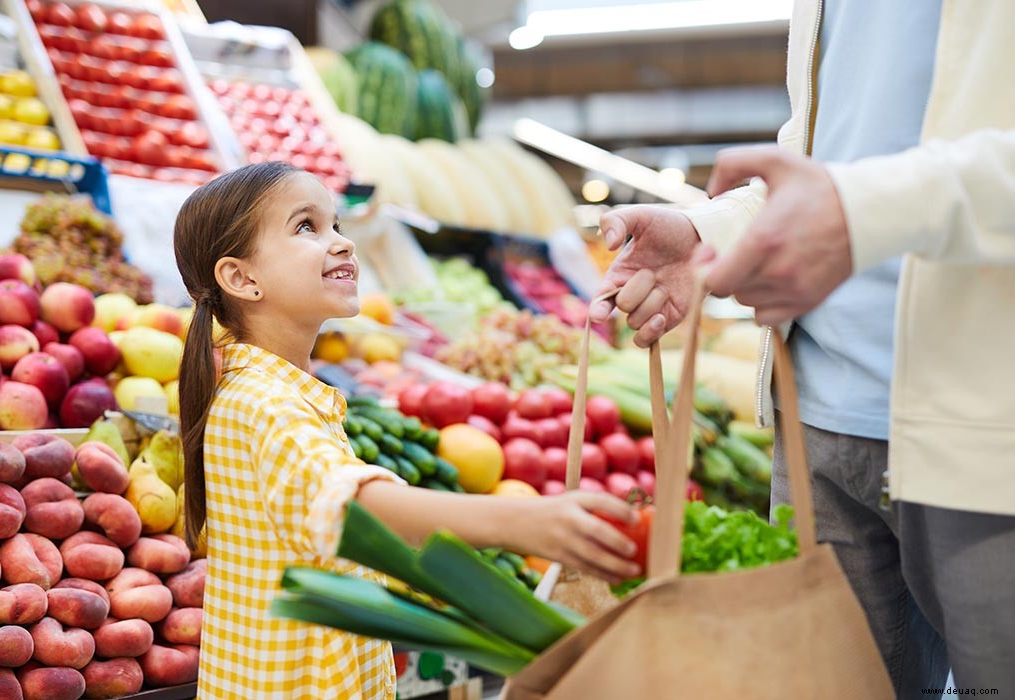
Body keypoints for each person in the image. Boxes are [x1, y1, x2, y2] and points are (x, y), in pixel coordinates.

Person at [590, 1, 1015, 695]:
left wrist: (859, 212)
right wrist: (711, 230)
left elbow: (861, 188)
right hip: (814, 421)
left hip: (988, 428)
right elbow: (832, 146)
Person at [173, 162, 641, 700]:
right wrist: (526, 522)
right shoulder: (264, 402)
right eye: (307, 227)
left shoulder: (272, 390)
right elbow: (354, 510)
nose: (341, 244)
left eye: (337, 226)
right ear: (241, 278)